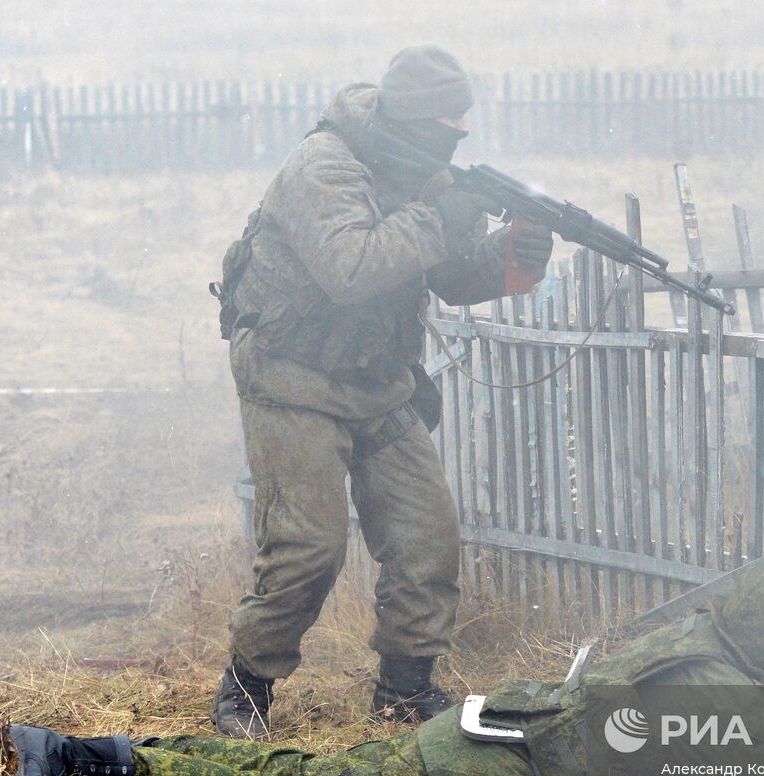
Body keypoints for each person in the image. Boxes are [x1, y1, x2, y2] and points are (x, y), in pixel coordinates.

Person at [0, 559, 764, 776]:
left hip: (494, 725)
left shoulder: (702, 641)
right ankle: (84, 762)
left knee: (304, 771)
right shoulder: (717, 696)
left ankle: (90, 748)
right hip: (488, 768)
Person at [210, 45, 554, 735]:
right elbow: (351, 268)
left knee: (427, 533)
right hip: (292, 376)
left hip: (376, 379)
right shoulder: (324, 167)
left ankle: (404, 687)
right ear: (416, 120)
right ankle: (244, 690)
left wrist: (511, 257)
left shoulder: (416, 167)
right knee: (309, 546)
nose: (458, 136)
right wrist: (440, 217)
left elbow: (448, 276)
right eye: (448, 123)